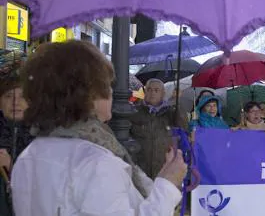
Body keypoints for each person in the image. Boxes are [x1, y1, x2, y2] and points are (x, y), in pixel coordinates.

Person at [11, 41, 186, 216]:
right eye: (107, 84)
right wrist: (167, 187)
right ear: (87, 94)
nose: (112, 92)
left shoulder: (30, 154)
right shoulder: (95, 163)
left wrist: (162, 180)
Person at [129, 78, 187, 178]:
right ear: (145, 91)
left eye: (156, 90)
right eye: (149, 89)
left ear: (163, 93)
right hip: (139, 171)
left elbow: (182, 124)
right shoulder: (134, 112)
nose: (152, 93)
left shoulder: (170, 112)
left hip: (164, 170)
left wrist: (176, 102)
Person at [0, 49, 33, 216]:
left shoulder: (42, 135)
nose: (15, 102)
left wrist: (11, 167)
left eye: (22, 96)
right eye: (8, 96)